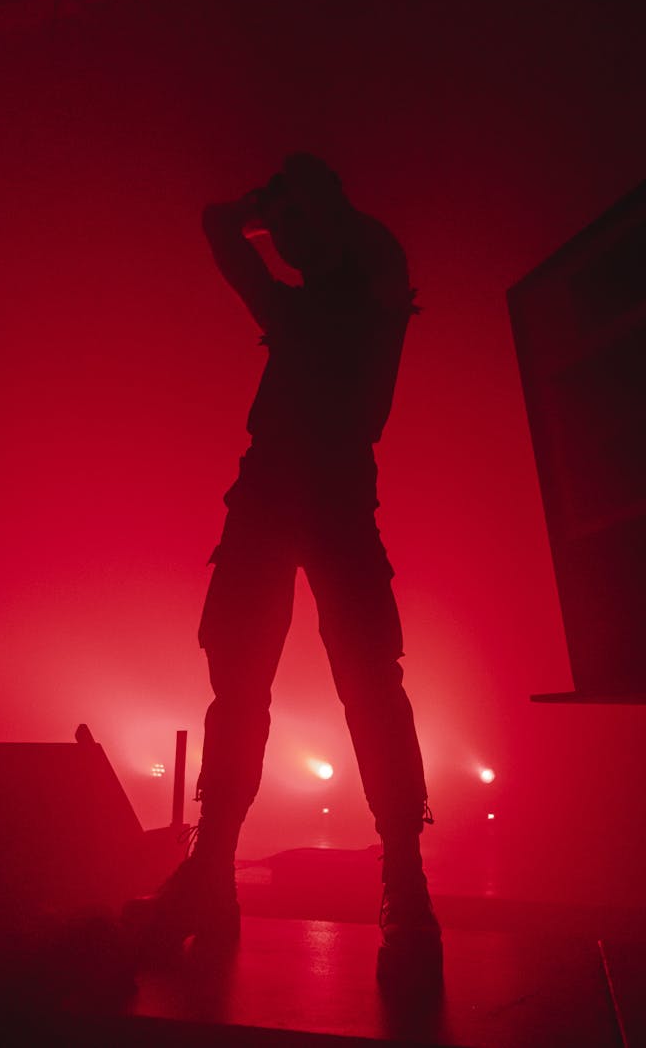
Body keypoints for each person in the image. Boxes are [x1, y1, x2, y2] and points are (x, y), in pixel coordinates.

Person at [128, 153, 441, 977]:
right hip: (276, 494)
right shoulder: (312, 299)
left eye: (303, 219)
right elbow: (217, 226)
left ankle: (403, 878)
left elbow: (344, 249)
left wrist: (289, 207)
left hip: (322, 494)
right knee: (249, 682)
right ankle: (216, 871)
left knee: (368, 681)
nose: (291, 237)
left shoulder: (369, 279)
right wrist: (271, 205)